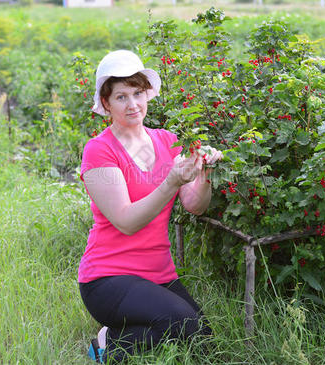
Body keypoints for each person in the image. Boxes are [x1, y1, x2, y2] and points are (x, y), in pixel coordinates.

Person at [78, 50, 223, 363]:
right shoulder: (99, 150)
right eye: (121, 97)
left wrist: (206, 173)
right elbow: (126, 221)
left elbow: (195, 205)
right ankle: (108, 348)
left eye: (138, 93)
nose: (133, 105)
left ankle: (115, 335)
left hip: (158, 274)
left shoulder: (168, 140)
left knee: (202, 340)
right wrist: (170, 181)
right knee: (183, 324)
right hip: (108, 277)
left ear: (148, 94)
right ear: (106, 103)